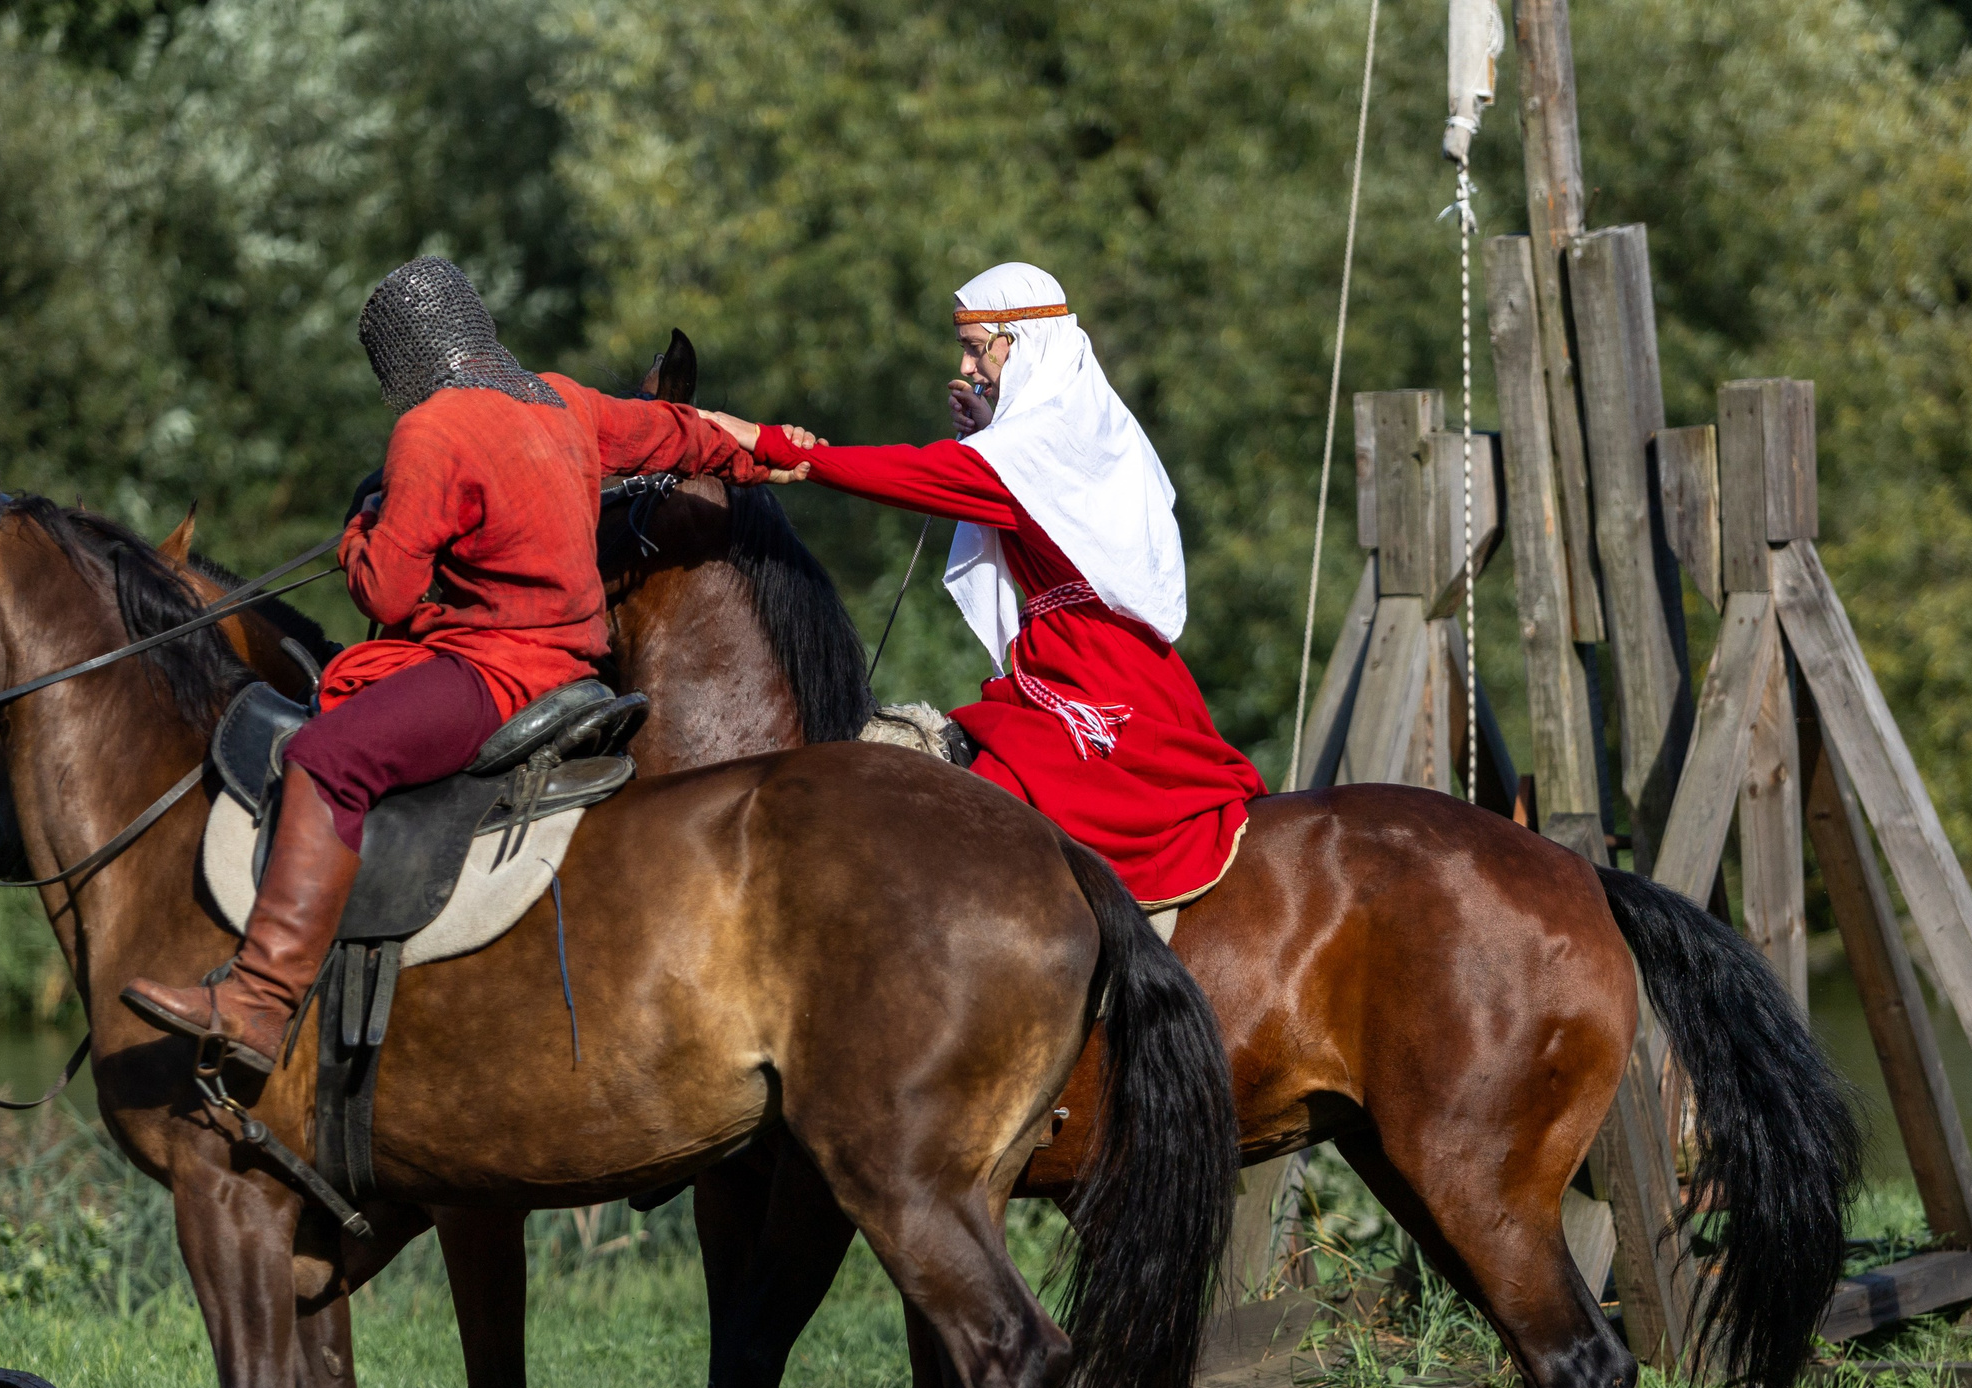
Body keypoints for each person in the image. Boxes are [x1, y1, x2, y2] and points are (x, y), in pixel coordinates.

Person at [124, 257, 784, 1076]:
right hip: (577, 669)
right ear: (475, 327)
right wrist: (771, 452)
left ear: (403, 356)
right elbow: (677, 434)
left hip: (494, 673)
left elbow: (387, 592)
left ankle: (260, 999)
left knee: (324, 756)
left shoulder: (432, 429)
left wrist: (359, 532)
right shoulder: (561, 399)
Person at [703, 261, 1262, 906]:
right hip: (1122, 666)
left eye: (974, 349)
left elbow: (914, 475)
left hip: (1092, 681)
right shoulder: (1085, 423)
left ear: (1015, 342)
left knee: (970, 837)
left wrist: (770, 442)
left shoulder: (1035, 444)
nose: (966, 367)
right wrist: (992, 433)